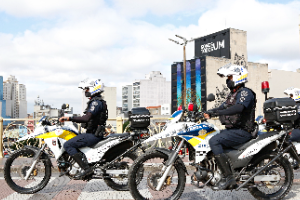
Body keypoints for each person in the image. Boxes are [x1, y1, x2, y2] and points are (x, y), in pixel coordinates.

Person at [203, 63, 256, 190]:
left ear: (238, 77)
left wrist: (218, 113)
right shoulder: (232, 95)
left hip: (243, 131)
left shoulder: (245, 93)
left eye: (230, 77)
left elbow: (239, 108)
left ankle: (229, 178)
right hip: (233, 130)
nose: (228, 80)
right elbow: (221, 107)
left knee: (214, 141)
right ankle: (223, 170)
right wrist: (207, 112)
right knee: (210, 136)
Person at [59, 78, 108, 179]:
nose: (85, 91)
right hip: (93, 133)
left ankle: (86, 169)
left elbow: (86, 118)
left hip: (93, 135)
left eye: (86, 89)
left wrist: (69, 118)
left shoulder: (96, 103)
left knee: (68, 145)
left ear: (93, 88)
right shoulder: (96, 101)